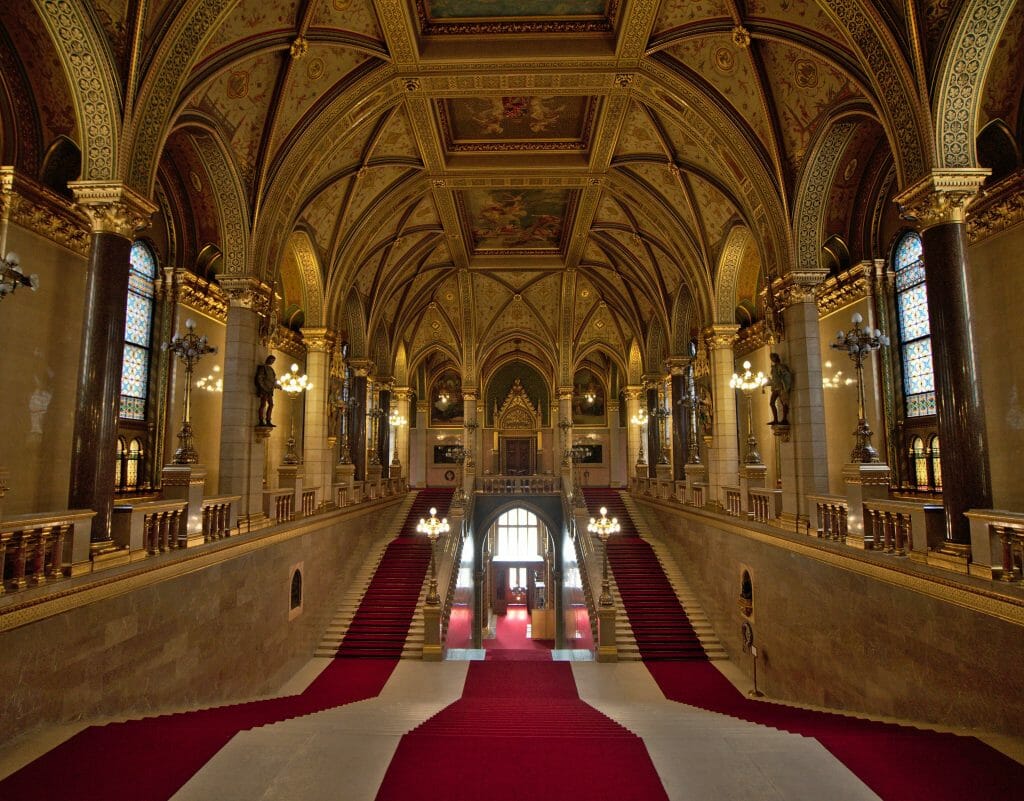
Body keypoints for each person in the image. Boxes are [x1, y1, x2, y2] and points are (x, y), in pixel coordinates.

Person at [767, 353, 793, 425]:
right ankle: (775, 419)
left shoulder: (780, 367)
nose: (772, 359)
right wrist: (767, 383)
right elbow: (774, 379)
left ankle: (784, 419)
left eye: (773, 357)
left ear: (776, 357)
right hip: (775, 388)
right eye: (771, 358)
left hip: (781, 387)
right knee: (772, 403)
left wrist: (785, 385)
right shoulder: (773, 368)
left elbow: (787, 375)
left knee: (784, 403)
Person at [255, 355, 278, 426]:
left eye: (273, 361)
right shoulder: (263, 368)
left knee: (271, 404)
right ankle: (261, 420)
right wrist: (263, 387)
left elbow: (273, 380)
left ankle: (268, 420)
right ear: (268, 359)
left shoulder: (271, 369)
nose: (272, 362)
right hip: (265, 389)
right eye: (271, 360)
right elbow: (260, 378)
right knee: (263, 404)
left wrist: (276, 385)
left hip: (270, 390)